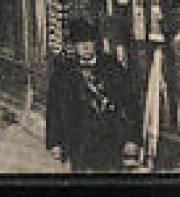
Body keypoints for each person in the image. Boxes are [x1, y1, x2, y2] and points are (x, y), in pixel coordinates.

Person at [46, 17, 142, 172]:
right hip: (79, 143)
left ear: (95, 44)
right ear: (74, 46)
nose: (85, 46)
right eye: (79, 42)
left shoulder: (112, 67)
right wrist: (54, 143)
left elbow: (131, 103)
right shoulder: (63, 73)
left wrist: (133, 139)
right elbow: (53, 109)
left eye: (89, 41)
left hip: (110, 141)